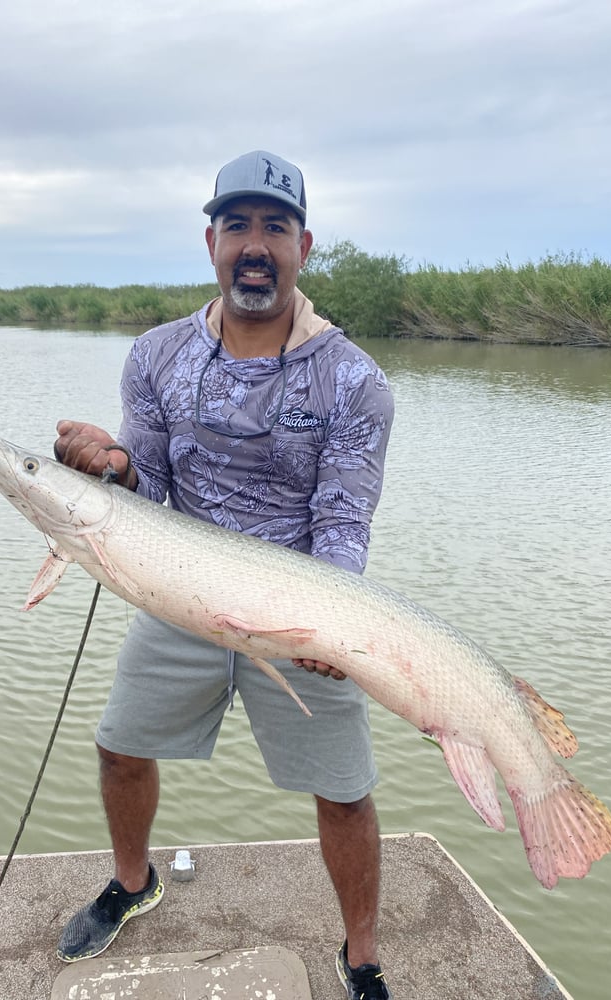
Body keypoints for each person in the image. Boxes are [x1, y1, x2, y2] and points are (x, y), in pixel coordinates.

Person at [53, 150, 395, 1000]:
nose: (255, 244)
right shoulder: (157, 354)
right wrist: (117, 467)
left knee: (346, 793)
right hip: (182, 595)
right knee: (119, 747)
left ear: (304, 246)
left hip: (304, 607)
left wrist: (329, 627)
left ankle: (362, 956)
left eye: (273, 227)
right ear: (210, 241)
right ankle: (134, 884)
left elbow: (343, 522)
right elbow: (152, 481)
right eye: (237, 225)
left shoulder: (355, 380)